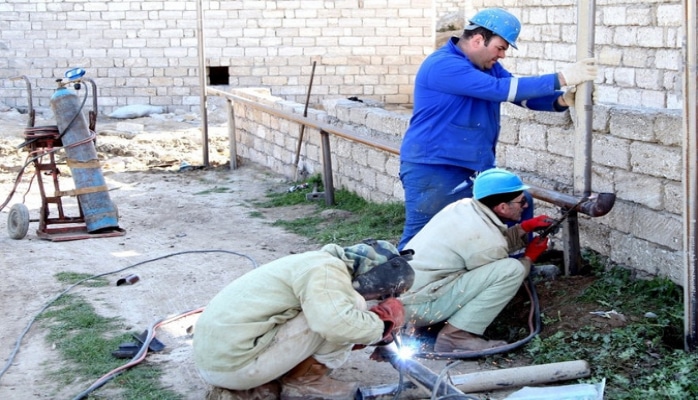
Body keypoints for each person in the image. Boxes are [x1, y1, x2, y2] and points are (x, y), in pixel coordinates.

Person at [398, 7, 598, 249]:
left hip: (474, 166)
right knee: (422, 236)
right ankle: (399, 285)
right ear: (478, 40)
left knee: (519, 203)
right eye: (501, 47)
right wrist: (561, 78)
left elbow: (518, 95)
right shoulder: (444, 65)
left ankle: (516, 269)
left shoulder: (486, 66)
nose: (502, 55)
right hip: (435, 166)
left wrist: (560, 100)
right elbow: (500, 90)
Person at [192, 239, 414, 400]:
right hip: (234, 366)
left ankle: (264, 382)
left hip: (219, 361)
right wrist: (382, 325)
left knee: (338, 310)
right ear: (372, 277)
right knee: (352, 306)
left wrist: (374, 333)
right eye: (380, 296)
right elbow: (336, 325)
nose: (378, 301)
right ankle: (304, 384)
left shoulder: (314, 263)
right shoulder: (327, 270)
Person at [399, 168, 553, 352]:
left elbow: (485, 243)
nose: (526, 206)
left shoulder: (462, 207)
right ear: (502, 207)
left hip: (403, 298)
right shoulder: (488, 243)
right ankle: (455, 337)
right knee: (512, 269)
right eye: (522, 201)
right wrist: (529, 257)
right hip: (421, 308)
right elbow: (494, 261)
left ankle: (416, 327)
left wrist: (525, 227)